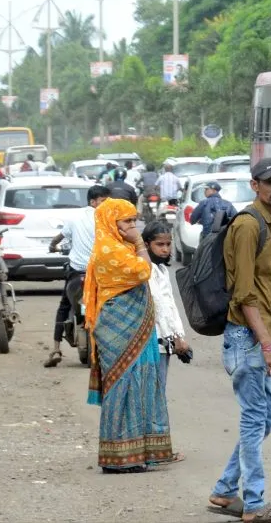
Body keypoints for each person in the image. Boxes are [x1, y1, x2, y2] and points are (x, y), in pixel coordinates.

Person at [207, 158, 271, 523]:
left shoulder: (268, 223)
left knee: (269, 413)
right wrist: (267, 343)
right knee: (254, 417)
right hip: (246, 337)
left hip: (260, 332)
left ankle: (225, 490)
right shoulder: (248, 225)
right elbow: (244, 294)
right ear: (255, 186)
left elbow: (265, 292)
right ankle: (255, 503)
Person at [84, 198, 173, 473]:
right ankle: (118, 457)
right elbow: (143, 270)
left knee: (142, 382)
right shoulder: (110, 249)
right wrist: (139, 244)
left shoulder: (120, 247)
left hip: (140, 326)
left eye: (135, 221)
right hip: (118, 326)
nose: (133, 227)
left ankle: (140, 452)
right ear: (111, 223)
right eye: (127, 222)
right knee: (122, 384)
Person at [45, 185, 110, 367]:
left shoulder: (74, 218)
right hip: (100, 272)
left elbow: (58, 238)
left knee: (64, 306)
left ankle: (56, 349)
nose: (107, 204)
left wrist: (52, 246)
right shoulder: (107, 219)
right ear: (93, 202)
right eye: (103, 201)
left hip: (77, 271)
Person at [141, 222, 189, 386]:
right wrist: (174, 336)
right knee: (154, 392)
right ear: (146, 245)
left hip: (165, 341)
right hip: (154, 341)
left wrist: (179, 335)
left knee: (158, 389)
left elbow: (171, 305)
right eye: (159, 244)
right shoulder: (147, 269)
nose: (165, 249)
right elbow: (158, 304)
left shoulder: (162, 269)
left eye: (168, 244)